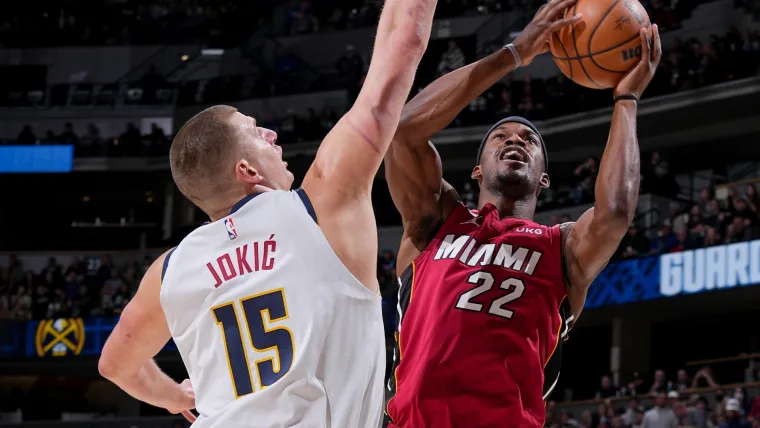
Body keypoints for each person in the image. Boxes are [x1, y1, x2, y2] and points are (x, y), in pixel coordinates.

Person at [97, 0, 439, 426]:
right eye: (257, 131)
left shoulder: (170, 271)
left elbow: (115, 364)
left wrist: (174, 396)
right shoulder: (321, 205)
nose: (273, 133)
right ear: (247, 170)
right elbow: (403, 41)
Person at [382, 0, 662, 423]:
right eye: (500, 137)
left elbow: (616, 212)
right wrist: (515, 53)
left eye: (530, 140)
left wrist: (626, 100)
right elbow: (403, 131)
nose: (516, 141)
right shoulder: (436, 221)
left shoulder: (562, 248)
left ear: (544, 178)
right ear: (477, 171)